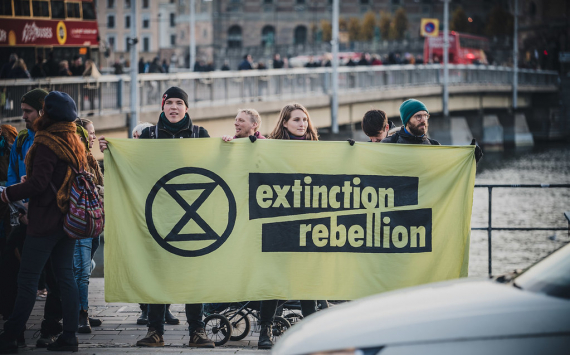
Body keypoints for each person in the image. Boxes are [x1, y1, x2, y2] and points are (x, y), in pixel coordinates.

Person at [98, 87, 214, 348]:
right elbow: (135, 168)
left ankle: (197, 330)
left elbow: (216, 164)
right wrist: (112, 150)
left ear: (187, 107)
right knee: (157, 274)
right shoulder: (148, 136)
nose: (174, 107)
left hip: (190, 219)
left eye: (179, 103)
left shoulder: (201, 135)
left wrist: (233, 143)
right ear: (163, 107)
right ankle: (155, 331)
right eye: (169, 102)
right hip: (156, 218)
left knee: (193, 276)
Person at [0, 91, 85, 353]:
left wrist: (7, 193)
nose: (24, 115)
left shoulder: (47, 142)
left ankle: (11, 335)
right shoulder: (73, 140)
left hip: (45, 222)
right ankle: (69, 336)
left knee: (27, 280)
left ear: (47, 113)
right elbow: (57, 180)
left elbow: (39, 184)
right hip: (67, 223)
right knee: (66, 278)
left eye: (30, 111)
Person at [258, 103, 320, 350]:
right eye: (296, 120)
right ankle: (265, 329)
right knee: (275, 278)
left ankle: (312, 332)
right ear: (284, 122)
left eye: (304, 120)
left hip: (308, 223)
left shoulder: (318, 150)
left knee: (307, 280)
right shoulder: (269, 148)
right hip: (278, 222)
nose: (302, 124)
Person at [73, 118, 104, 334]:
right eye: (90, 133)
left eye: (93, 133)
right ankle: (80, 314)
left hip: (94, 222)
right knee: (82, 271)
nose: (92, 137)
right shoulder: (74, 159)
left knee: (88, 266)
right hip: (81, 222)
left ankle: (78, 308)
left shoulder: (91, 159)